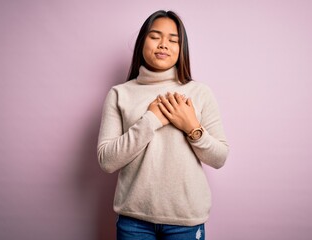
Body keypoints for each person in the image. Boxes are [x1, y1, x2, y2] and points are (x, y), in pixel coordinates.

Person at [97, 10, 229, 240]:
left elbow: (219, 158)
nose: (163, 45)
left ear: (181, 49)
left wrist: (192, 128)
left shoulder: (199, 92)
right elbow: (107, 161)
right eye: (155, 36)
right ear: (142, 43)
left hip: (186, 221)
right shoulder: (119, 94)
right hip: (133, 222)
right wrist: (150, 120)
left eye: (173, 40)